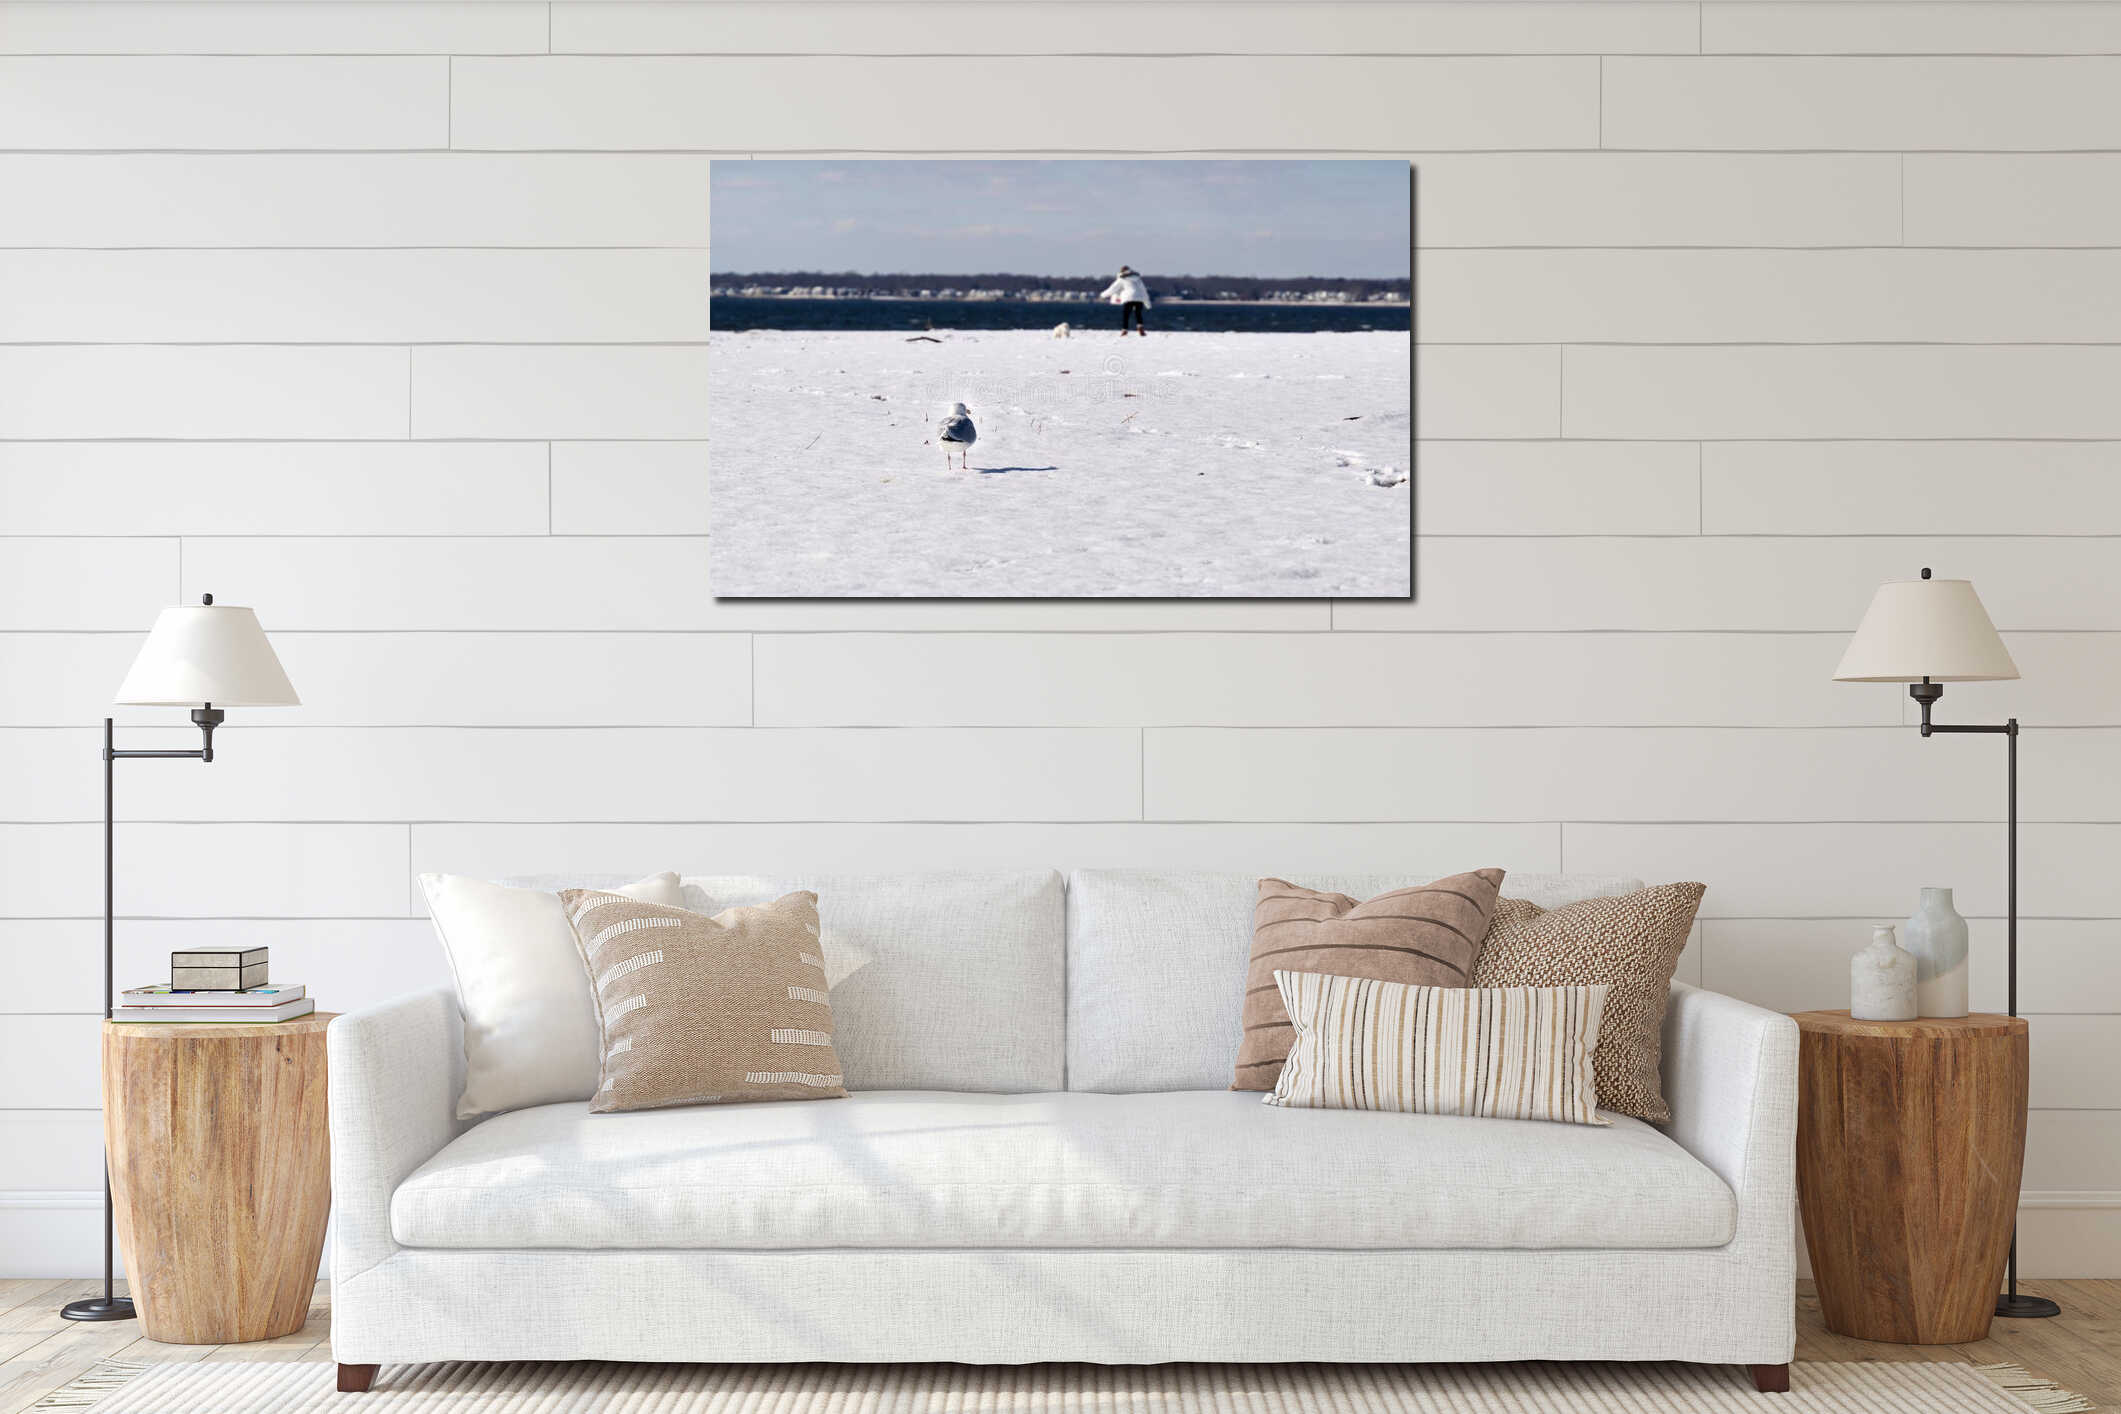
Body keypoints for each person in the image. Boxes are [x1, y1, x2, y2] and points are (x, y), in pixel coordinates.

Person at [1100, 265, 1150, 336]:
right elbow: (1144, 291)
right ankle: (1140, 327)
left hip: (1128, 298)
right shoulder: (1138, 278)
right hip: (1139, 298)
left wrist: (1102, 295)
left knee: (1126, 315)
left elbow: (1112, 289)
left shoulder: (1122, 279)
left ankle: (1125, 330)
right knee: (1138, 313)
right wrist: (1147, 303)